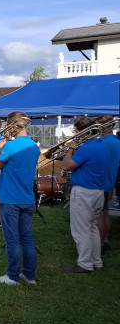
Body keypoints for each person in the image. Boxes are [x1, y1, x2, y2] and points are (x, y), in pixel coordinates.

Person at [0, 112, 39, 285]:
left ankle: (12, 276)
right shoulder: (34, 145)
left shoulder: (10, 146)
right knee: (27, 237)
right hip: (27, 197)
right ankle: (29, 275)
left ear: (13, 126)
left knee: (12, 239)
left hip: (11, 198)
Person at [61, 117, 110, 273]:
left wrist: (70, 149)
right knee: (92, 227)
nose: (76, 135)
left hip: (84, 191)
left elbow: (66, 166)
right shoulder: (102, 145)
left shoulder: (88, 147)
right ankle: (95, 261)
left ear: (84, 132)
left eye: (76, 132)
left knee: (81, 230)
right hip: (98, 191)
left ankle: (85, 264)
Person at [94, 116, 120, 254]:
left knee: (98, 216)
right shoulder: (116, 141)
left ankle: (98, 246)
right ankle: (105, 241)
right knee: (105, 212)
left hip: (100, 182)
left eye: (98, 125)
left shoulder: (103, 142)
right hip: (109, 180)